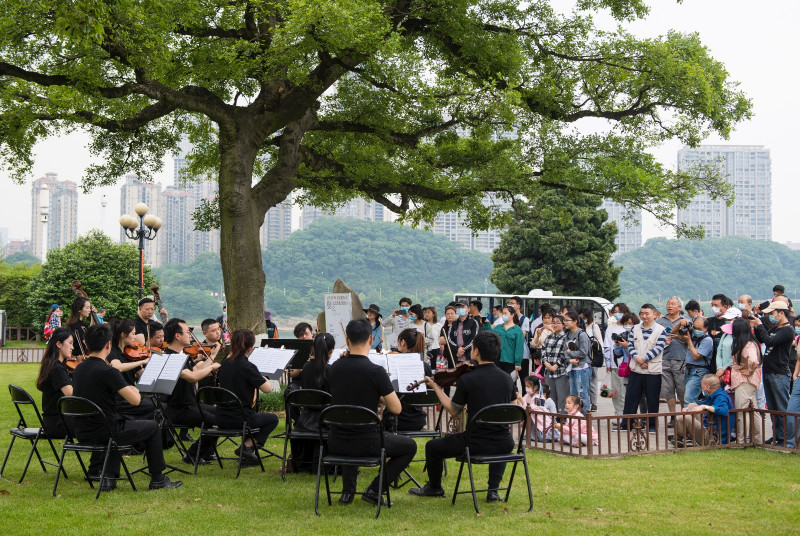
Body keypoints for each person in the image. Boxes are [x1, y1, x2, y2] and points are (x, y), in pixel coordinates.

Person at [71, 324, 182, 491]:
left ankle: (108, 477)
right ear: (108, 345)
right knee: (152, 427)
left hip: (82, 431)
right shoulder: (109, 372)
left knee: (120, 419)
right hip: (106, 432)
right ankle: (158, 479)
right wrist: (131, 387)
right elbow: (136, 400)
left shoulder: (80, 368)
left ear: (87, 345)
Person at [409, 330, 515, 502]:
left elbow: (453, 410)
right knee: (498, 441)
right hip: (504, 442)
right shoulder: (507, 378)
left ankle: (435, 488)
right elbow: (512, 408)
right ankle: (493, 491)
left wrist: (436, 387)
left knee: (432, 447)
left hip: (475, 443)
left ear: (477, 351)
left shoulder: (468, 379)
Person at [327, 318, 416, 506]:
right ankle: (375, 490)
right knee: (410, 446)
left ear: (347, 339)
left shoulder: (334, 369)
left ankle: (347, 492)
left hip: (336, 442)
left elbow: (348, 396)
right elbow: (396, 409)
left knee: (350, 423)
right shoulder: (376, 371)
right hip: (368, 444)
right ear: (370, 339)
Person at [162, 318, 221, 465]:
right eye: (187, 332)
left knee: (222, 415)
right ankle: (192, 455)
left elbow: (197, 369)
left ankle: (204, 453)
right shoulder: (170, 358)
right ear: (177, 336)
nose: (190, 335)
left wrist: (212, 357)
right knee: (216, 422)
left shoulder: (182, 355)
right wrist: (212, 367)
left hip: (191, 404)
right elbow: (192, 377)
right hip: (178, 409)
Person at [217, 329, 280, 464]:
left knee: (253, 415)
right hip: (241, 419)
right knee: (273, 419)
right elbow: (267, 389)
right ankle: (246, 447)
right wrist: (263, 378)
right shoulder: (247, 366)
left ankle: (247, 452)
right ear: (251, 348)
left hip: (221, 417)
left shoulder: (225, 364)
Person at [290, 332, 336, 473]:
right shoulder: (331, 371)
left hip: (305, 420)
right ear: (331, 351)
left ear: (313, 348)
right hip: (325, 422)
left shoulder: (306, 367)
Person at [749, 300, 793, 445]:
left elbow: (769, 341)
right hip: (769, 371)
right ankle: (777, 436)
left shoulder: (787, 330)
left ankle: (786, 438)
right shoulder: (776, 328)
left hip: (779, 373)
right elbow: (762, 338)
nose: (770, 317)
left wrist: (760, 326)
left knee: (781, 409)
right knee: (773, 409)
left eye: (772, 313)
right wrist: (756, 325)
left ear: (781, 313)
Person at [622, 304, 667, 432]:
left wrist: (644, 358)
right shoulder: (634, 329)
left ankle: (651, 425)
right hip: (636, 369)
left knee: (652, 399)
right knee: (631, 397)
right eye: (642, 313)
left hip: (652, 370)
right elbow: (630, 345)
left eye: (647, 313)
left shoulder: (661, 330)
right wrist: (638, 359)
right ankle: (626, 424)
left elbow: (658, 348)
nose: (644, 316)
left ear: (655, 315)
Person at [384, 329, 432, 432]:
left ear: (402, 342)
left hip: (393, 419)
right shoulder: (425, 367)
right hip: (417, 420)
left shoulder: (392, 364)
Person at [106, 318, 155, 420]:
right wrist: (142, 361)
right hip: (122, 397)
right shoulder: (112, 352)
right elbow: (117, 367)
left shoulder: (130, 353)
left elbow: (140, 374)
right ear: (123, 335)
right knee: (154, 407)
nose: (135, 337)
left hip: (133, 393)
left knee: (157, 403)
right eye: (133, 334)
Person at [671, 375, 734, 446]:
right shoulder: (714, 394)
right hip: (709, 429)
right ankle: (684, 436)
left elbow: (724, 411)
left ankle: (679, 437)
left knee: (684, 418)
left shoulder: (721, 397)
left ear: (707, 386)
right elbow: (702, 404)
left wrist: (705, 407)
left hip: (714, 439)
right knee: (693, 405)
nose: (701, 387)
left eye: (702, 385)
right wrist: (688, 409)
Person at [36, 327, 74, 438]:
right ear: (59, 344)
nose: (72, 347)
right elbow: (71, 394)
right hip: (58, 424)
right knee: (100, 426)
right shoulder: (57, 368)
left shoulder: (53, 364)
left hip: (54, 421)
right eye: (70, 343)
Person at [729, 318, 763, 444]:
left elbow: (754, 360)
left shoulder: (747, 345)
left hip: (744, 381)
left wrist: (749, 370)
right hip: (749, 381)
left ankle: (742, 440)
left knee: (742, 411)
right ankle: (757, 439)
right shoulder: (749, 343)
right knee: (753, 410)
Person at [674, 316, 714, 407]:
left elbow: (696, 356)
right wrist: (680, 323)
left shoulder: (707, 340)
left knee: (689, 398)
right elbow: (673, 332)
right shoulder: (692, 336)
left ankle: (689, 420)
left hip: (699, 371)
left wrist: (688, 341)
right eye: (694, 328)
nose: (696, 330)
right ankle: (691, 419)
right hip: (688, 370)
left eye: (699, 329)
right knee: (688, 398)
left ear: (706, 328)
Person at [658, 297, 687, 423]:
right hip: (664, 359)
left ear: (679, 307)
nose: (669, 306)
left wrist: (680, 337)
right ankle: (673, 416)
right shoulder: (659, 322)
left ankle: (683, 415)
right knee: (668, 390)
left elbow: (691, 340)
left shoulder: (685, 321)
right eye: (668, 303)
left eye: (673, 304)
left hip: (681, 359)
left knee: (681, 390)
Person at [603, 303, 631, 416]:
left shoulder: (630, 327)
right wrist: (608, 363)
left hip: (628, 366)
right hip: (615, 366)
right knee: (616, 392)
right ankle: (619, 413)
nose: (617, 314)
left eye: (620, 312)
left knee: (627, 391)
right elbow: (607, 347)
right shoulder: (611, 328)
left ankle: (629, 413)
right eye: (615, 312)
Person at [564, 311, 592, 413]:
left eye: (567, 320)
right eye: (564, 320)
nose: (565, 322)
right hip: (572, 367)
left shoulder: (582, 334)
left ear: (575, 321)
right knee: (573, 395)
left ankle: (584, 418)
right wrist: (569, 359)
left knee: (583, 394)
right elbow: (564, 351)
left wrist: (570, 352)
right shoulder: (567, 335)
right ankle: (575, 417)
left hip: (582, 368)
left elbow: (583, 352)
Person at [541, 314, 569, 413]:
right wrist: (545, 362)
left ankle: (562, 417)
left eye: (558, 323)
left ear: (563, 325)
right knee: (550, 396)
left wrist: (556, 365)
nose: (555, 325)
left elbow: (565, 353)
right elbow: (543, 350)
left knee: (562, 396)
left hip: (560, 371)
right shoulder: (549, 337)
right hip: (549, 371)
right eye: (553, 323)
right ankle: (552, 416)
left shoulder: (566, 338)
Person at [441, 302, 480, 368]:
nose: (460, 309)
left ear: (468, 309)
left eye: (462, 307)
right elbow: (450, 339)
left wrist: (463, 349)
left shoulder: (473, 322)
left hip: (469, 357)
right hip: (456, 357)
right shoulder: (454, 323)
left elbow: (473, 338)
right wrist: (457, 349)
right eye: (459, 308)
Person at [579, 307, 603, 413]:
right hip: (583, 357)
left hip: (592, 357)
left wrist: (601, 355)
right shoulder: (579, 327)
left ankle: (594, 402)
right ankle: (584, 401)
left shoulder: (594, 326)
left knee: (593, 380)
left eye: (584, 318)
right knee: (583, 380)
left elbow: (600, 341)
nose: (582, 319)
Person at [523, 376, 558, 442]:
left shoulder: (540, 397)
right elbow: (523, 404)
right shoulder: (528, 395)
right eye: (526, 386)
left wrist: (521, 401)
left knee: (543, 437)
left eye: (528, 386)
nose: (526, 388)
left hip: (541, 419)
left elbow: (534, 407)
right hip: (533, 419)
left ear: (536, 387)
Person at [493, 305, 524, 377]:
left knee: (510, 382)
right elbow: (490, 334)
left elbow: (519, 347)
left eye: (505, 313)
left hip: (510, 361)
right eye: (502, 313)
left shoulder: (517, 330)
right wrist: (486, 324)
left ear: (512, 315)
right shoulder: (499, 327)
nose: (503, 315)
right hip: (498, 359)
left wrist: (518, 363)